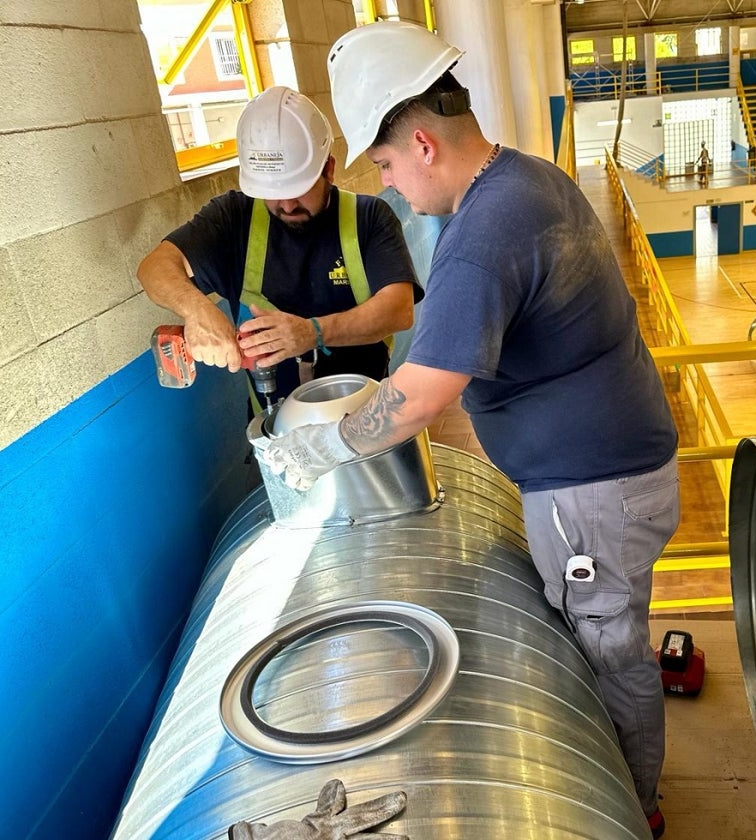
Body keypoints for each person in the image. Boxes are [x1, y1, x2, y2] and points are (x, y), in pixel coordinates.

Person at [260, 21, 679, 839]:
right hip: (607, 476)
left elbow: (418, 396)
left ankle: (636, 808)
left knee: (611, 653)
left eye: (382, 166)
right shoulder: (523, 180)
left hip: (593, 496)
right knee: (605, 638)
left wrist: (321, 447)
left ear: (420, 142)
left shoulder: (485, 231)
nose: (386, 186)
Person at [138, 86, 421, 405]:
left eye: (299, 188)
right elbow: (154, 268)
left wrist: (312, 332)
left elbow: (399, 310)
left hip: (369, 421)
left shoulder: (368, 218)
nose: (286, 204)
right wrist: (198, 309)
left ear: (328, 169)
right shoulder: (234, 218)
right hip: (276, 427)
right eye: (272, 191)